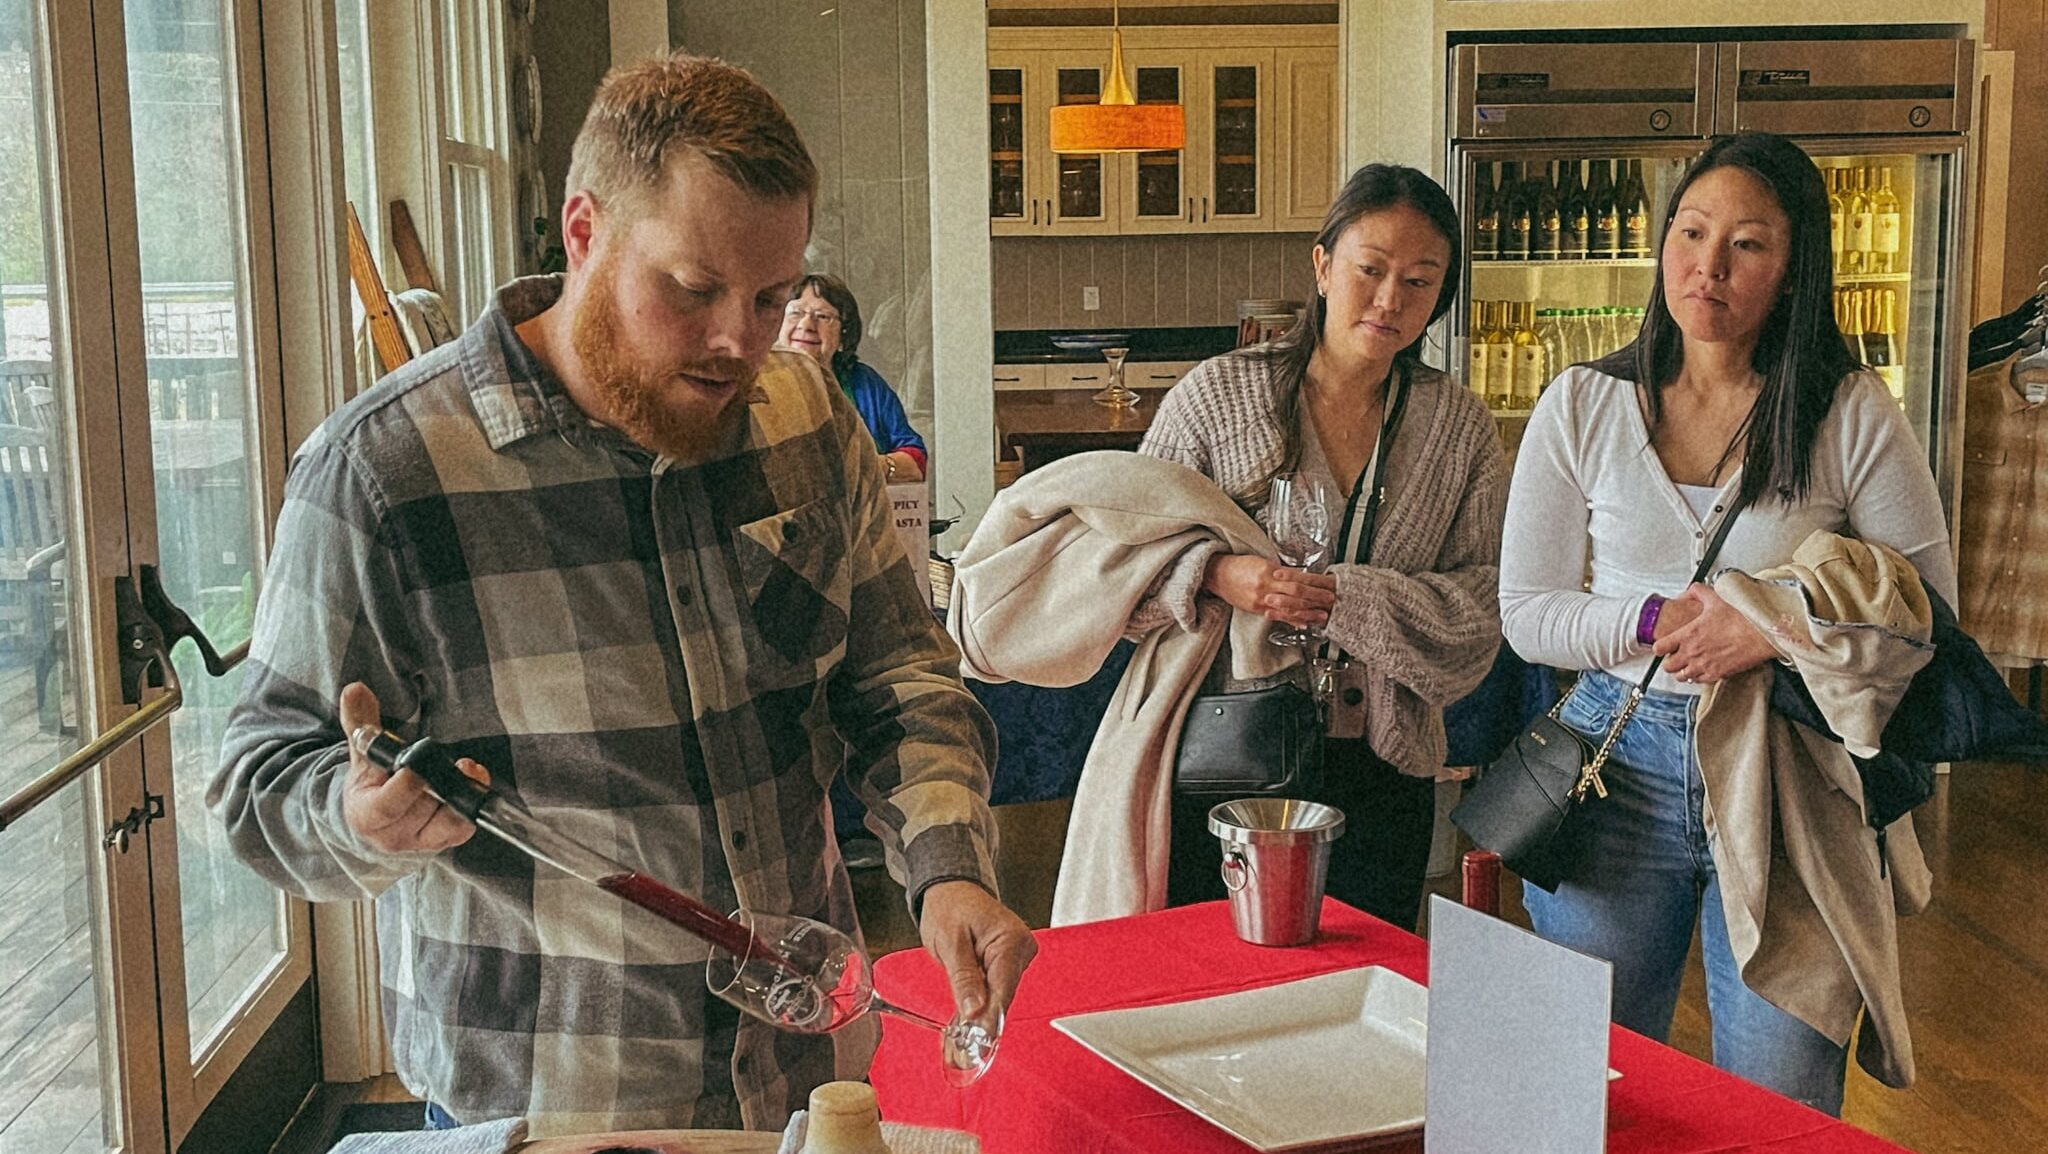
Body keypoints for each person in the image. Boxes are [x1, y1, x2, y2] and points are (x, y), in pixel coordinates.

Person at [210, 54, 1033, 1136]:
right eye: (691, 291)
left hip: (803, 1075)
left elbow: (902, 674)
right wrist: (360, 816)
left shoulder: (804, 416)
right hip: (548, 1105)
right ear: (583, 231)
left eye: (773, 295)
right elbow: (257, 781)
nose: (741, 339)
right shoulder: (387, 471)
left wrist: (944, 869)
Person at [1499, 132, 1953, 1114]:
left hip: (1789, 770)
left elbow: (1926, 607)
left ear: (1793, 269)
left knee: (1779, 1098)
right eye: (1690, 232)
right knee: (1576, 1091)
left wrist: (1767, 622)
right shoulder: (1581, 403)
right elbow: (1528, 611)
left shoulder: (1848, 411)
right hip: (1610, 765)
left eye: (1746, 243)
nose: (1707, 265)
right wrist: (1660, 615)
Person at [1136, 164, 1508, 931]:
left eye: (1419, 281)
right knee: (1212, 987)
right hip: (1225, 754)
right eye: (1370, 269)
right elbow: (1119, 562)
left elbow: (1488, 603)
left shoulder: (1458, 426)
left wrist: (1353, 600)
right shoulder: (1215, 396)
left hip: (1385, 763)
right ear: (1323, 263)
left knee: (1366, 990)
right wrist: (1218, 574)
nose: (1389, 300)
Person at [777, 272, 927, 483]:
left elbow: (915, 460)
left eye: (822, 316)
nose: (806, 325)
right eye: (795, 312)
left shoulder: (864, 384)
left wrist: (870, 466)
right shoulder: (754, 384)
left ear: (843, 336)